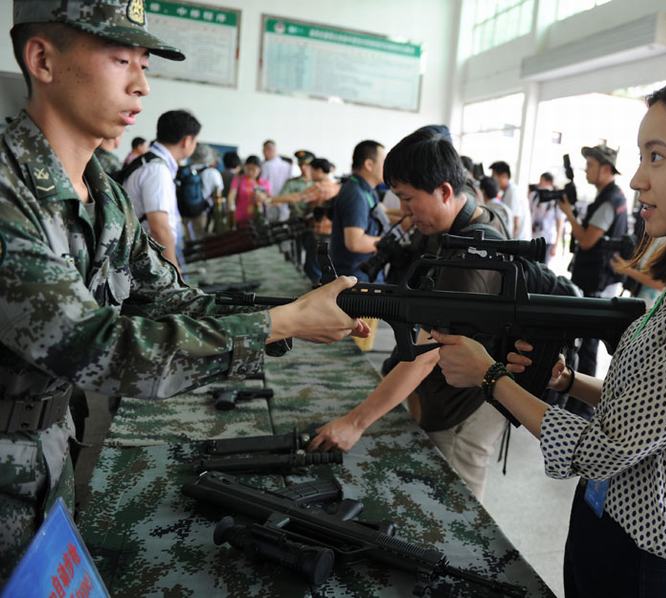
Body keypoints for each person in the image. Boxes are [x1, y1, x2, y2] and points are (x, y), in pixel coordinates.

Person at [1, 0, 366, 580]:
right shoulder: (8, 192)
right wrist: (283, 324)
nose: (143, 85)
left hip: (51, 451)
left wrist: (297, 312)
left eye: (145, 63)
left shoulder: (107, 194)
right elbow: (101, 349)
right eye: (122, 59)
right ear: (42, 59)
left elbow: (169, 299)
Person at [434, 66, 666, 597]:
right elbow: (652, 412)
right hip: (609, 521)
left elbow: (602, 448)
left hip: (644, 562)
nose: (637, 179)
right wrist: (567, 382)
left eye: (657, 156)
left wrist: (488, 378)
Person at [310, 126, 510, 502]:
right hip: (447, 385)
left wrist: (355, 423)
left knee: (456, 501)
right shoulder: (455, 221)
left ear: (445, 192)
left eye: (407, 199)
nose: (402, 211)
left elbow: (425, 354)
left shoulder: (473, 255)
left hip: (467, 403)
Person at [562, 142, 628, 378]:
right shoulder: (610, 197)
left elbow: (588, 240)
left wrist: (568, 214)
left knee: (589, 340)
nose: (586, 169)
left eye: (591, 165)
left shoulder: (610, 200)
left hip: (597, 280)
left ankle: (581, 404)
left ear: (607, 169)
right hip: (597, 277)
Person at [122, 109, 200, 271]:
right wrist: (174, 269)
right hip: (150, 257)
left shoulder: (148, 162)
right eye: (195, 141)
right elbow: (159, 228)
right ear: (187, 141)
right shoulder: (157, 170)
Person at [329, 140, 389, 281]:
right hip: (355, 278)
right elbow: (355, 242)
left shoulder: (366, 190)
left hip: (365, 272)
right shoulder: (355, 194)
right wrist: (389, 244)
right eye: (384, 161)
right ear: (369, 165)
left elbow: (380, 213)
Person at [184, 142, 224, 240]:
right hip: (203, 212)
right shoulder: (213, 173)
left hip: (184, 212)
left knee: (188, 241)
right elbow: (218, 194)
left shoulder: (186, 170)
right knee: (202, 241)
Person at [530, 172, 566, 264]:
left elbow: (560, 223)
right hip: (533, 237)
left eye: (541, 181)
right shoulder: (534, 195)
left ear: (549, 182)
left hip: (548, 239)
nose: (539, 183)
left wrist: (556, 245)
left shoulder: (556, 199)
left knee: (543, 268)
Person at [490, 160, 531, 241]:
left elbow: (516, 222)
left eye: (494, 177)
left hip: (518, 241)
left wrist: (509, 244)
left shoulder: (512, 192)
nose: (493, 181)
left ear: (504, 176)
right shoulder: (507, 191)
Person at [227, 155, 271, 226]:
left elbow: (269, 199)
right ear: (244, 167)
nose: (250, 172)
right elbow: (231, 196)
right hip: (240, 218)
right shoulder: (238, 180)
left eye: (253, 169)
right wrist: (231, 208)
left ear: (259, 169)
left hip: (259, 219)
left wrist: (263, 198)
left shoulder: (264, 183)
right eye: (248, 168)